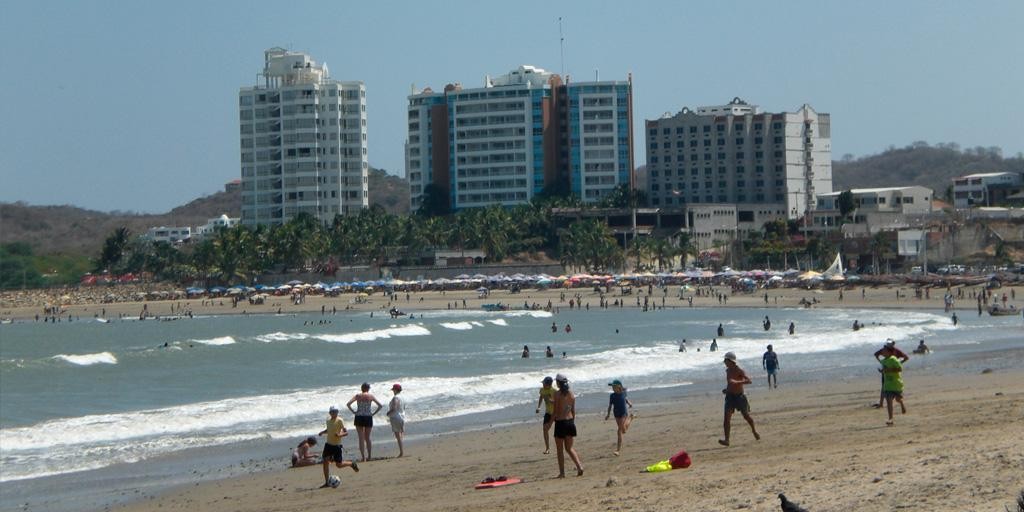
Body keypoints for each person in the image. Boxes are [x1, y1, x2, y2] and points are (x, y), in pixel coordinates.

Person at [719, 352, 760, 446]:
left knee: (746, 416)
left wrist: (737, 382)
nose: (724, 362)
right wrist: (727, 389)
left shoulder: (739, 371)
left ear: (731, 361)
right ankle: (727, 440)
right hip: (729, 397)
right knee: (726, 418)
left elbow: (749, 381)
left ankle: (754, 431)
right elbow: (730, 383)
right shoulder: (727, 371)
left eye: (725, 360)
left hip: (739, 397)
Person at [551, 374, 584, 478]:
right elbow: (573, 411)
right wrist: (572, 421)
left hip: (560, 423)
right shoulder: (571, 394)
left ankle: (562, 473)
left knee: (560, 450)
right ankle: (579, 467)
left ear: (558, 382)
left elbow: (556, 412)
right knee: (569, 448)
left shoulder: (557, 394)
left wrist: (549, 423)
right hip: (570, 422)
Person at [317, 406, 358, 488]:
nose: (334, 413)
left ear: (337, 412)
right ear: (330, 413)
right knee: (325, 462)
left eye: (335, 411)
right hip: (328, 445)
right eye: (332, 412)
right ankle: (327, 482)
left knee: (339, 465)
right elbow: (328, 430)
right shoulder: (328, 420)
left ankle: (351, 463)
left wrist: (340, 435)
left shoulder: (340, 420)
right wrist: (322, 432)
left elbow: (346, 432)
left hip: (337, 446)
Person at [346, 383, 383, 461]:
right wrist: (373, 413)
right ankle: (369, 456)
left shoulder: (358, 396)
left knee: (361, 438)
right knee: (368, 437)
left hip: (359, 416)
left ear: (362, 388)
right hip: (368, 416)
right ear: (368, 388)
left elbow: (348, 404)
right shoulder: (370, 396)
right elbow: (380, 405)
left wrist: (354, 412)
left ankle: (363, 457)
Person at [873, 340, 909, 408]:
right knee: (885, 387)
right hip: (887, 372)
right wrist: (882, 363)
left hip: (894, 373)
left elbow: (906, 358)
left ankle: (885, 403)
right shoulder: (888, 350)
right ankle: (882, 403)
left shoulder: (896, 350)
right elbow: (876, 354)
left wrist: (899, 364)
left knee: (890, 387)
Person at [604, 379, 633, 456]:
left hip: (624, 413)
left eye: (614, 387)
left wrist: (629, 403)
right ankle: (631, 418)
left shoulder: (623, 393)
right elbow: (610, 406)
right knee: (624, 431)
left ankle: (617, 450)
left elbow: (625, 399)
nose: (613, 388)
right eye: (612, 387)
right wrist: (608, 414)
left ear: (619, 387)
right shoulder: (612, 396)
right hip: (616, 414)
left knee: (619, 431)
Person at [880, 353, 907, 426]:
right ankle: (890, 419)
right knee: (889, 401)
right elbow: (884, 370)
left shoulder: (894, 359)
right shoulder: (883, 361)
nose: (882, 352)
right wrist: (882, 371)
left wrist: (889, 370)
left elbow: (899, 369)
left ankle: (901, 403)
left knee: (898, 399)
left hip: (896, 384)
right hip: (888, 385)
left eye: (884, 351)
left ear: (888, 352)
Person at [535, 376, 555, 454]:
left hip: (556, 413)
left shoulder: (554, 391)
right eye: (543, 383)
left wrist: (551, 401)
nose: (543, 384)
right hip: (548, 413)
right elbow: (541, 397)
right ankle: (547, 448)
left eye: (544, 383)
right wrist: (538, 407)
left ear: (549, 384)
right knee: (545, 429)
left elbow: (557, 402)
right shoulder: (542, 390)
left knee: (560, 430)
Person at [386, 383, 406, 457]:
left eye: (393, 390)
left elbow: (394, 408)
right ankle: (401, 451)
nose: (393, 391)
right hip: (402, 416)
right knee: (400, 434)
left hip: (396, 417)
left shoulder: (396, 397)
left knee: (398, 435)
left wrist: (388, 413)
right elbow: (403, 408)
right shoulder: (403, 397)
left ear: (395, 390)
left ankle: (401, 452)